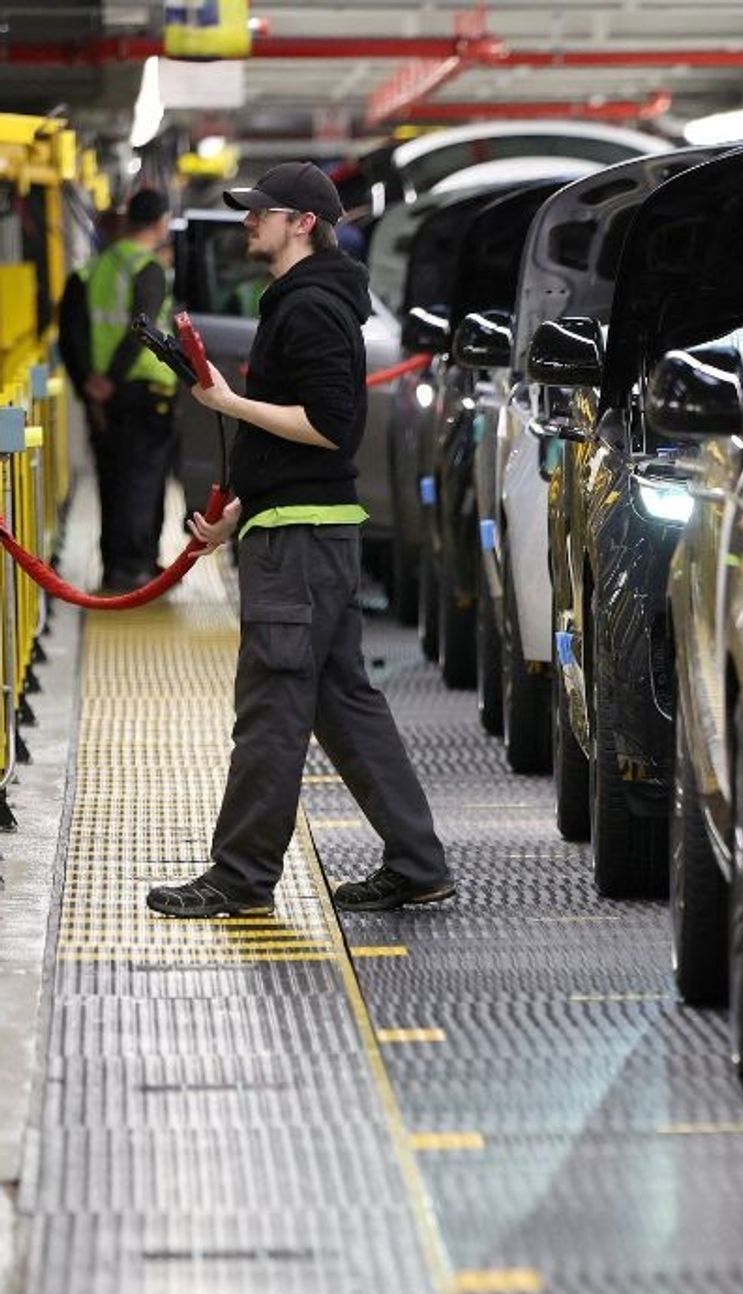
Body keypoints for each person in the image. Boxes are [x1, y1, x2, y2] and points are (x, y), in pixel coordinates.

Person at [146, 162, 455, 919]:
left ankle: (241, 878)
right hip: (306, 529)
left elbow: (327, 426)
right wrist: (238, 511)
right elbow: (294, 445)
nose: (249, 221)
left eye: (263, 211)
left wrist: (228, 402)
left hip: (300, 547)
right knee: (342, 704)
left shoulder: (310, 308)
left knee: (272, 708)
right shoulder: (304, 300)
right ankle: (418, 863)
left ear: (303, 223)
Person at [83, 189, 177, 592]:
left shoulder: (100, 264)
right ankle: (135, 566)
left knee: (115, 478)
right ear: (160, 222)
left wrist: (94, 381)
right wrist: (113, 377)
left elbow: (85, 325)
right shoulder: (148, 267)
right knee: (144, 478)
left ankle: (117, 563)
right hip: (143, 386)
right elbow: (142, 331)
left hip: (107, 392)